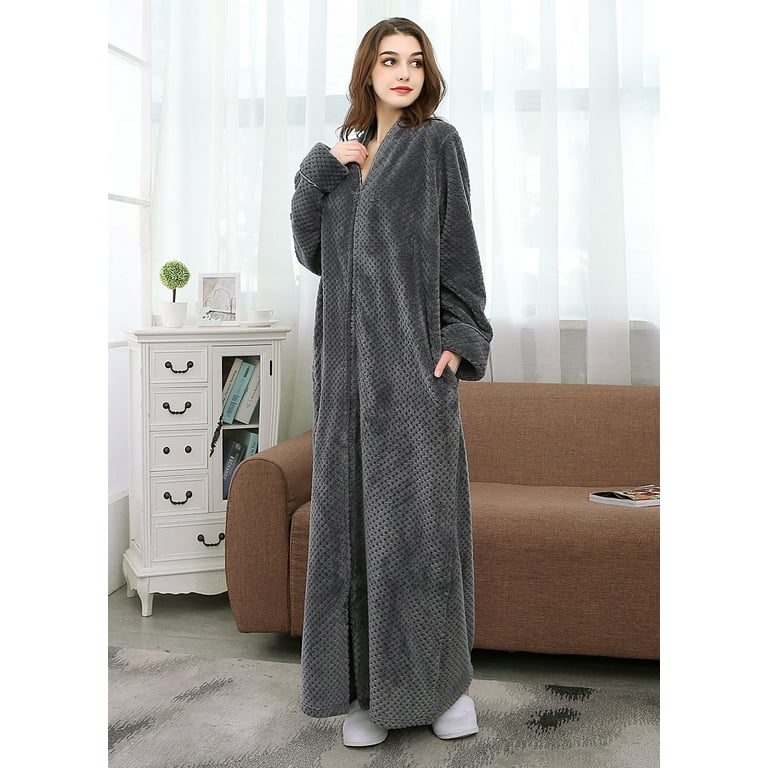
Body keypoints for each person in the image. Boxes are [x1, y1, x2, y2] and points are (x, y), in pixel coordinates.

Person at [290, 17, 493, 748]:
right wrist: (318, 170)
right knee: (349, 536)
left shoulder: (437, 144)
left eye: (414, 61)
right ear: (367, 72)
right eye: (388, 60)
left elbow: (458, 249)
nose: (403, 72)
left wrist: (459, 339)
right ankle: (363, 696)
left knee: (423, 533)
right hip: (345, 381)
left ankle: (443, 688)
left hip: (412, 376)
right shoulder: (342, 160)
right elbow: (313, 252)